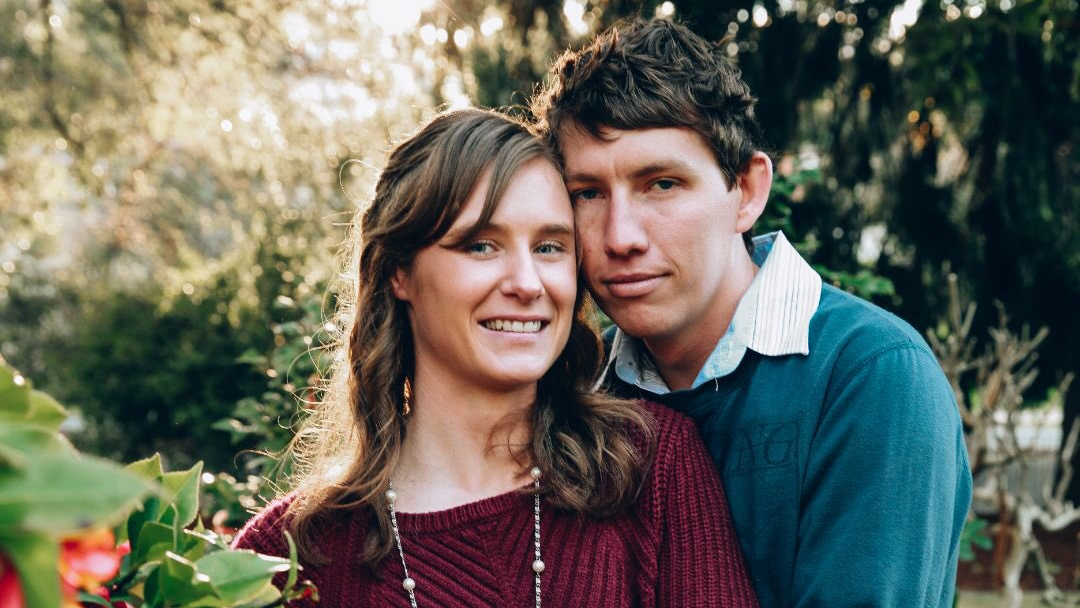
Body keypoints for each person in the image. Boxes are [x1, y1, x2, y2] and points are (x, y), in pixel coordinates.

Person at [232, 108, 759, 608]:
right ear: (399, 272)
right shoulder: (286, 557)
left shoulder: (648, 468)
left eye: (549, 247)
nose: (528, 284)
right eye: (482, 245)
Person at [531, 18, 973, 608]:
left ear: (747, 191)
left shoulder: (869, 375)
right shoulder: (581, 387)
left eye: (662, 184)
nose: (620, 237)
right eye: (587, 193)